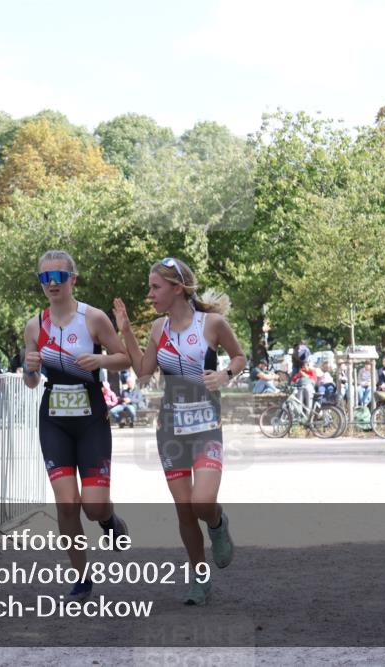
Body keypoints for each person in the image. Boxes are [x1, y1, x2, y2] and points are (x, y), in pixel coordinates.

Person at [114, 256, 244, 606]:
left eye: (155, 287)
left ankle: (217, 524)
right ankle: (200, 579)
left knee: (202, 502)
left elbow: (239, 358)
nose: (150, 294)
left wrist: (224, 375)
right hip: (171, 429)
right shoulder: (159, 328)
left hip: (207, 427)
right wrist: (126, 330)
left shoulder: (212, 324)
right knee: (185, 509)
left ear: (177, 288)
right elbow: (143, 371)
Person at [22, 250, 131, 603]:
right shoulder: (35, 326)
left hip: (91, 417)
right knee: (67, 504)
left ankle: (109, 520)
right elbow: (31, 382)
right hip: (54, 420)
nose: (51, 284)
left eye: (58, 277)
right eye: (45, 278)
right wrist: (29, 368)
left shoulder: (93, 318)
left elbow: (125, 358)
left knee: (93, 507)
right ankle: (81, 578)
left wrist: (99, 359)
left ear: (73, 279)